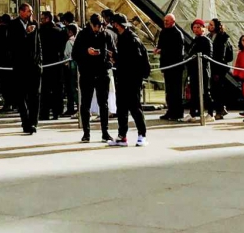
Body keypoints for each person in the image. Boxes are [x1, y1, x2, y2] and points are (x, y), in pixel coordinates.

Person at [73, 13, 114, 143]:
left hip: (102, 72)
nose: (97, 29)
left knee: (104, 104)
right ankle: (86, 133)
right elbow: (75, 54)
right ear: (91, 24)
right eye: (95, 26)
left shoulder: (106, 35)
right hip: (87, 73)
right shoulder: (83, 35)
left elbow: (113, 52)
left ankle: (105, 132)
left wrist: (107, 58)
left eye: (100, 26)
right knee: (85, 103)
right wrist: (86, 52)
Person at [109, 13, 148, 146]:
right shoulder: (123, 37)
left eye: (115, 23)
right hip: (124, 77)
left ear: (118, 25)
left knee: (134, 107)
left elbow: (133, 61)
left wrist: (116, 58)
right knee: (122, 108)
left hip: (131, 78)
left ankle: (142, 134)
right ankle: (122, 135)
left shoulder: (131, 39)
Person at [10, 3, 41, 133]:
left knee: (35, 95)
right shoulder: (13, 25)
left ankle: (33, 122)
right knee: (21, 96)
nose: (30, 14)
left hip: (34, 66)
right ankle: (25, 121)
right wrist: (25, 34)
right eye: (28, 11)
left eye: (32, 11)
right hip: (20, 66)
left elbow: (38, 43)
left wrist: (40, 61)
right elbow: (12, 45)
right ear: (21, 12)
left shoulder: (34, 24)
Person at [156, 14, 188, 120]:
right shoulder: (163, 32)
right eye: (164, 20)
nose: (165, 22)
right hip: (167, 66)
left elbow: (178, 51)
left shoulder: (178, 34)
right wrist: (158, 49)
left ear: (173, 21)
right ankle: (170, 111)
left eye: (167, 21)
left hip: (176, 67)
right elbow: (160, 45)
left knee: (176, 91)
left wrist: (162, 50)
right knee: (169, 91)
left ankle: (178, 113)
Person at [38, 11, 67, 120]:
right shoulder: (60, 31)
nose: (41, 21)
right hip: (57, 63)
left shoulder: (41, 32)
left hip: (45, 63)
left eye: (42, 19)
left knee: (45, 89)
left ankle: (44, 112)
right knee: (57, 88)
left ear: (47, 19)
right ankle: (57, 111)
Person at [207, 18, 233, 121]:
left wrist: (217, 71)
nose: (209, 26)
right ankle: (221, 108)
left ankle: (219, 111)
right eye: (209, 24)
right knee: (215, 90)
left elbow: (221, 55)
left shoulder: (222, 38)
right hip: (212, 66)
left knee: (218, 90)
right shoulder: (209, 36)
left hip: (219, 67)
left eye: (212, 25)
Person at [186, 20, 212, 120]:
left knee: (205, 92)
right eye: (194, 27)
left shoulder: (205, 40)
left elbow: (209, 55)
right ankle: (193, 113)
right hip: (194, 70)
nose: (196, 29)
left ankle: (210, 113)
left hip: (203, 70)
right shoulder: (195, 40)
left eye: (198, 27)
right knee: (194, 92)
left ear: (203, 28)